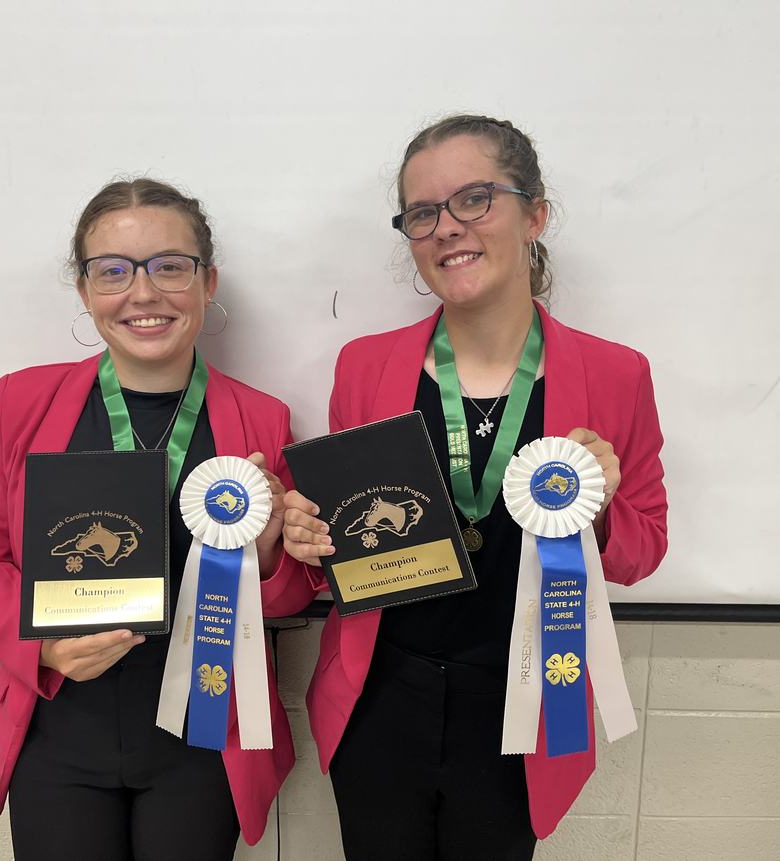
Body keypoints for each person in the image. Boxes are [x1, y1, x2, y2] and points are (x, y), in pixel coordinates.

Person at [283, 115, 668, 860]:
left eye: (474, 198)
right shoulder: (364, 367)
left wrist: (606, 502)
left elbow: (640, 552)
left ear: (535, 213)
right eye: (422, 213)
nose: (446, 228)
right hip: (379, 701)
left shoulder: (619, 375)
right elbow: (346, 550)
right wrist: (308, 541)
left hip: (522, 708)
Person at [0, 178, 313, 860]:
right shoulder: (26, 404)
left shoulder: (261, 419)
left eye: (170, 266)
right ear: (84, 291)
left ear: (208, 281)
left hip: (204, 737)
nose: (143, 294)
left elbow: (290, 595)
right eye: (112, 270)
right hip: (59, 736)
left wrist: (267, 553)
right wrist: (44, 650)